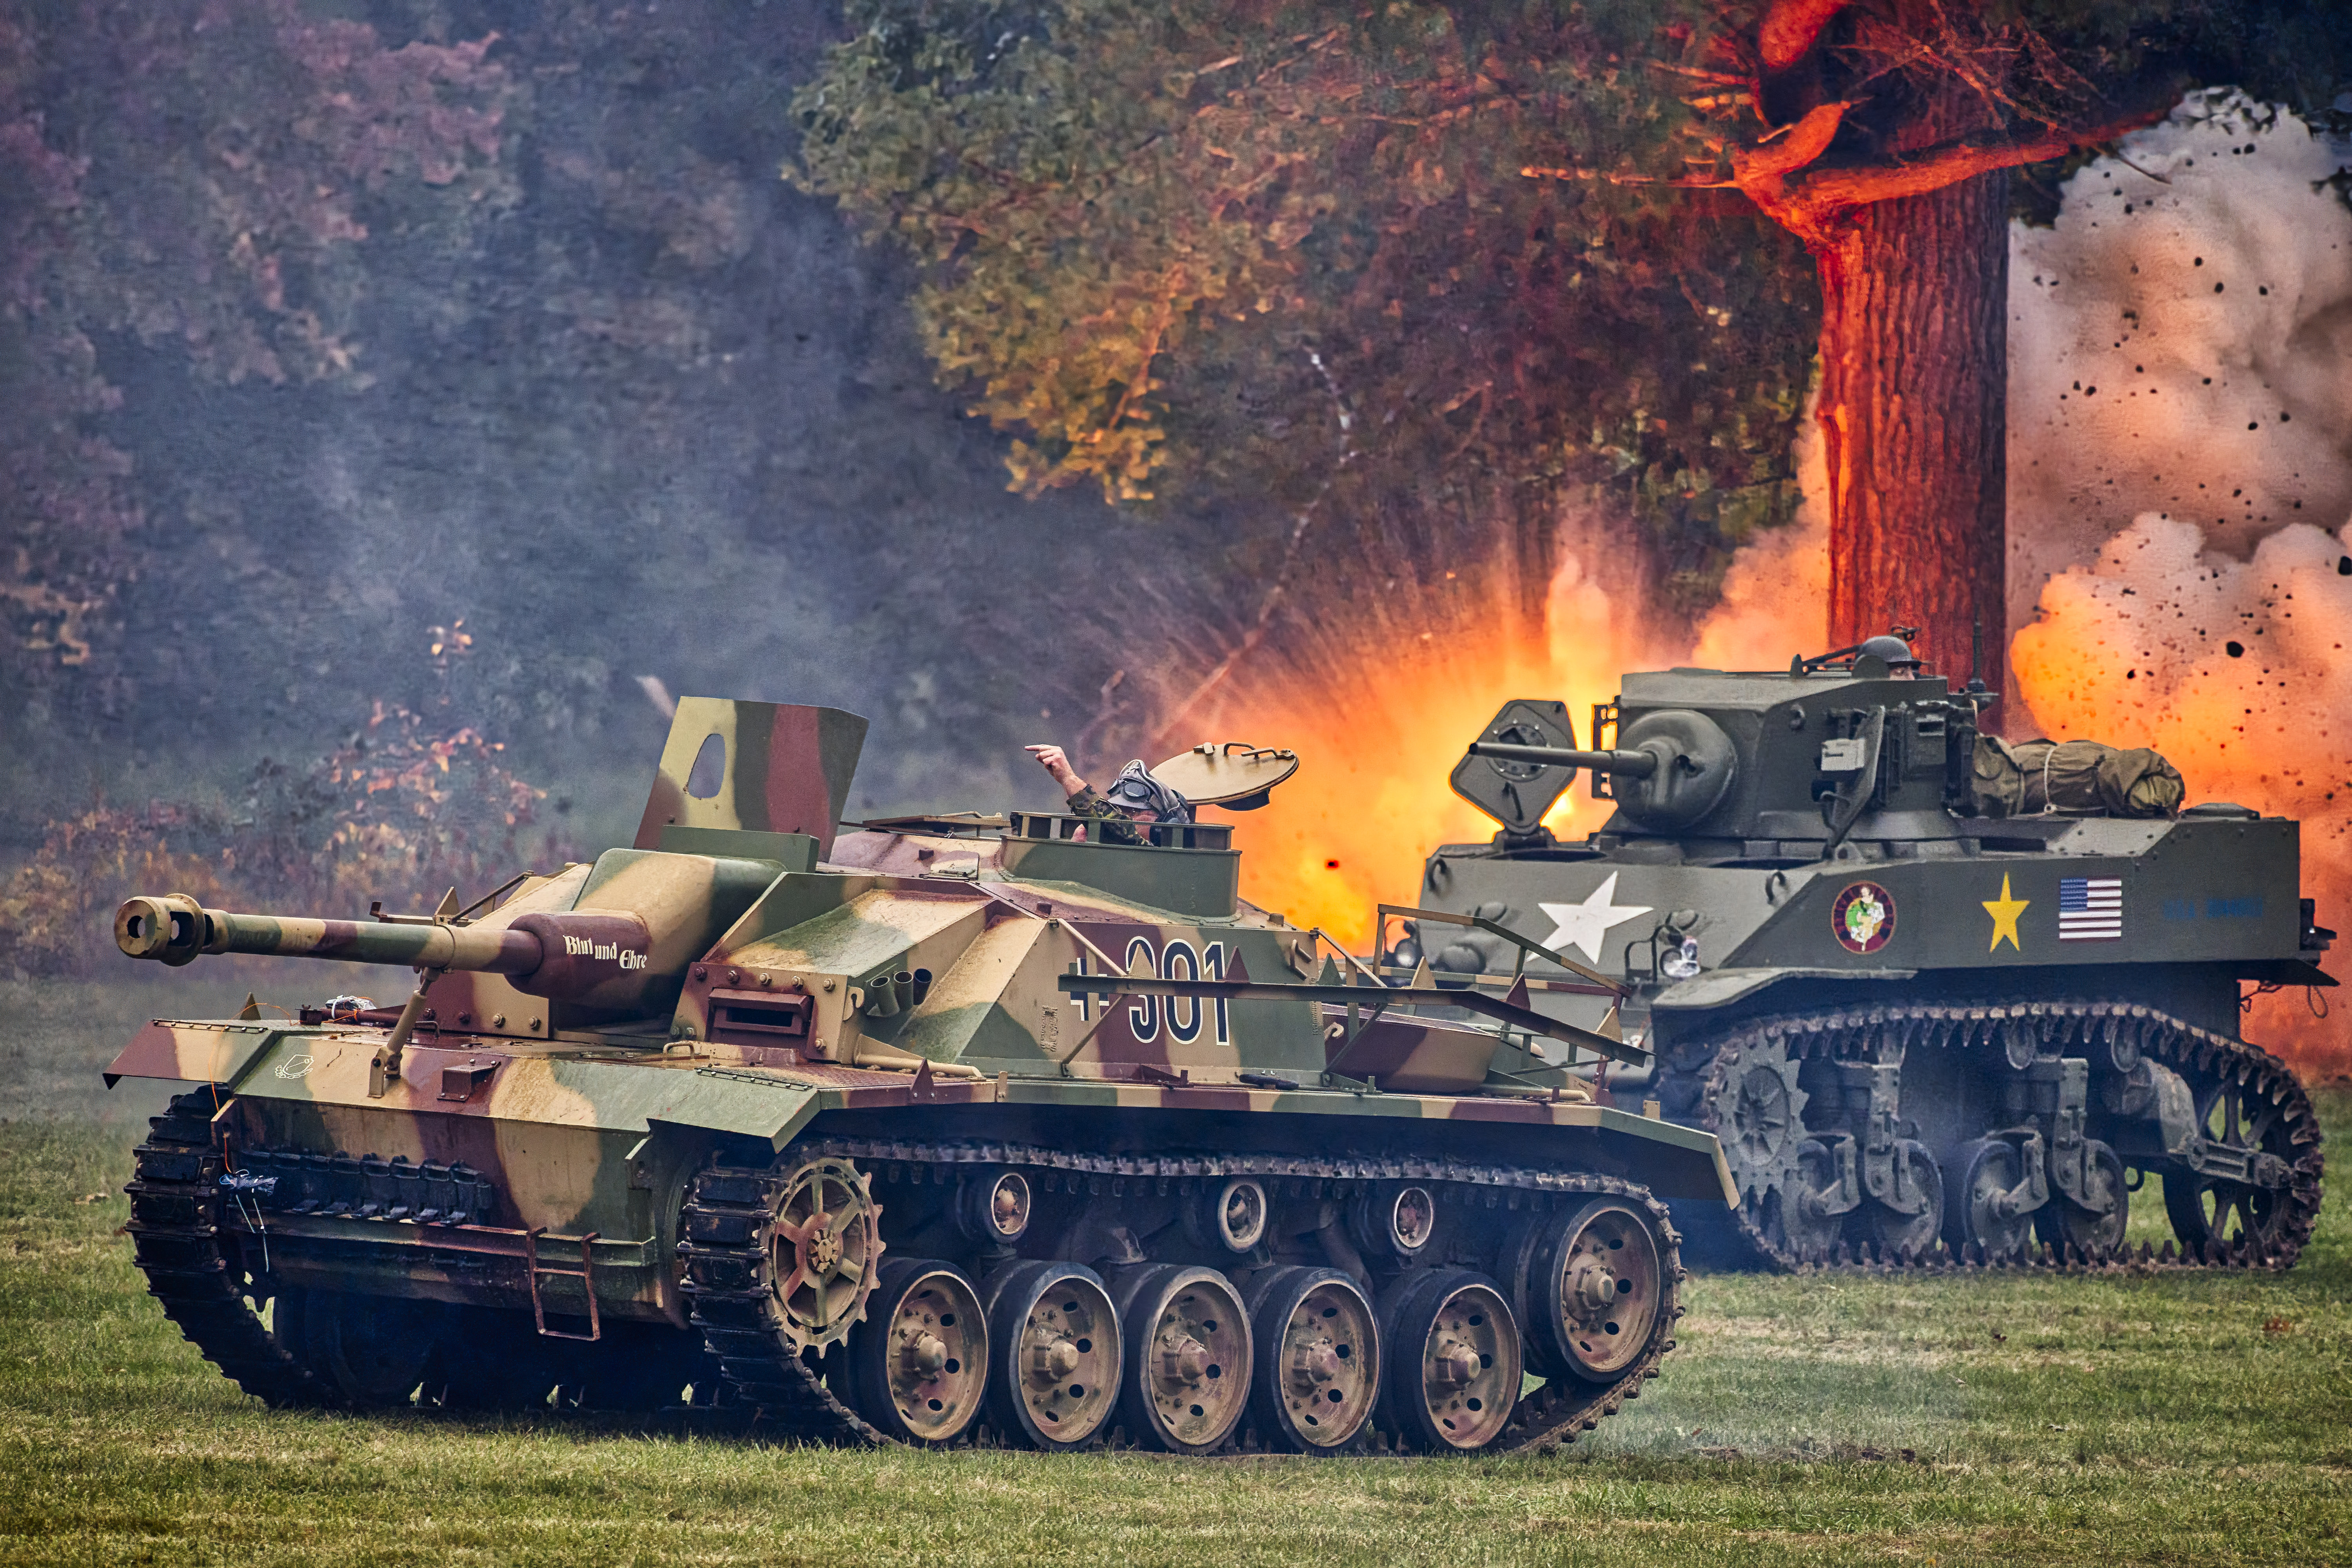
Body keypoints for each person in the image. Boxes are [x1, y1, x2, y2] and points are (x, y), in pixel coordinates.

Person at [1025, 745, 1190, 845]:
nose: (1119, 819)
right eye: (1117, 810)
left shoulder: (1158, 867)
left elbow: (1122, 833)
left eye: (1133, 813)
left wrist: (1069, 779)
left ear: (1161, 831)